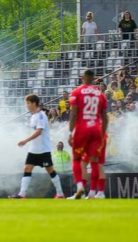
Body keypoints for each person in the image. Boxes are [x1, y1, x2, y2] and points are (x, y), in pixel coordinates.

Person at [10, 94, 65, 199]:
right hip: (34, 150)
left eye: (28, 103)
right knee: (27, 168)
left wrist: (25, 140)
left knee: (50, 170)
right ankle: (22, 194)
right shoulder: (34, 116)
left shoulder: (40, 116)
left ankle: (60, 194)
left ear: (34, 103)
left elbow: (39, 131)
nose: (27, 106)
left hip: (43, 150)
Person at [68, 69, 109, 200]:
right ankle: (93, 193)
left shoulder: (76, 92)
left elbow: (73, 114)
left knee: (77, 159)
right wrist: (102, 135)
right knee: (95, 162)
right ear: (94, 78)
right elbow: (105, 118)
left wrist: (70, 132)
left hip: (82, 129)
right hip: (97, 130)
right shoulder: (100, 94)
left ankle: (80, 186)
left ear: (83, 77)